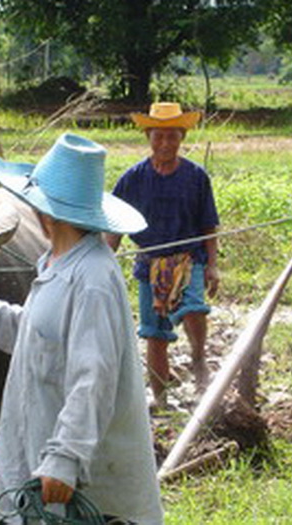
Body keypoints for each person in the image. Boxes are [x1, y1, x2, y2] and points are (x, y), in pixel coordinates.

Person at [0, 133, 164, 524]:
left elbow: (93, 375)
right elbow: (43, 336)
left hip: (78, 476)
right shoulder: (55, 261)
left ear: (46, 212)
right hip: (26, 454)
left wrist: (66, 456)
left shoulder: (93, 278)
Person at [106, 102, 220, 409]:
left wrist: (212, 265)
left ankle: (198, 359)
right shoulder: (132, 178)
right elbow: (114, 226)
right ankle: (160, 397)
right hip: (149, 264)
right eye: (159, 136)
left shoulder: (196, 177)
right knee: (154, 333)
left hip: (188, 258)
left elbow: (209, 223)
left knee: (194, 308)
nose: (165, 144)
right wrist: (104, 261)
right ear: (148, 137)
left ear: (182, 138)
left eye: (172, 137)